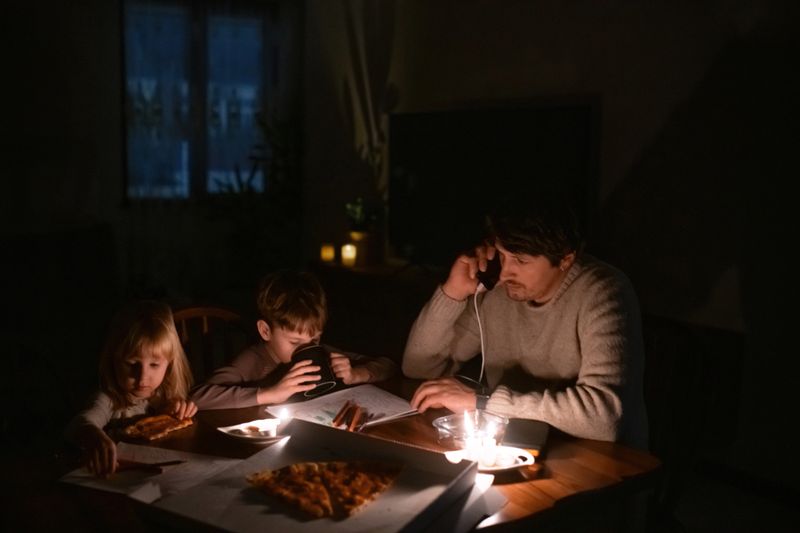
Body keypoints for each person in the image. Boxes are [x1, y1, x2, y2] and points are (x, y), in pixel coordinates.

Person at [402, 191, 648, 450]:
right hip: (514, 443)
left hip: (597, 458)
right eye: (502, 254)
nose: (506, 272)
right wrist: (452, 292)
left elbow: (604, 417)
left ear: (565, 259)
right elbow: (419, 367)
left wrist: (483, 402)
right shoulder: (498, 293)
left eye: (520, 260)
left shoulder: (604, 292)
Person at [190, 270, 397, 410]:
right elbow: (197, 397)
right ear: (265, 331)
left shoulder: (320, 352)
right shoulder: (255, 360)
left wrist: (356, 374)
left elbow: (388, 365)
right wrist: (270, 394)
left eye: (314, 339)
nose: (306, 348)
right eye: (295, 342)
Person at [64, 300, 198, 477]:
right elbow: (77, 425)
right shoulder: (108, 398)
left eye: (154, 364)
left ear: (170, 363)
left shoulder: (164, 395)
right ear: (114, 360)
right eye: (132, 364)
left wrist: (174, 412)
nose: (142, 377)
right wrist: (93, 438)